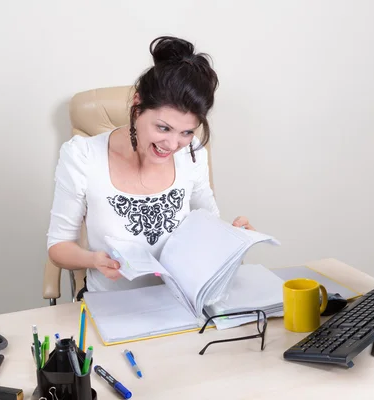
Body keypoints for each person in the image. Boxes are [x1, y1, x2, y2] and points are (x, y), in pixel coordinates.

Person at [46, 35, 254, 295]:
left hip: (182, 298)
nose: (172, 143)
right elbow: (59, 247)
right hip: (113, 302)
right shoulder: (82, 155)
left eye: (186, 132)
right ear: (137, 105)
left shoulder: (192, 154)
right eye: (163, 127)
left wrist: (234, 235)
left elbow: (208, 225)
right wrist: (93, 260)